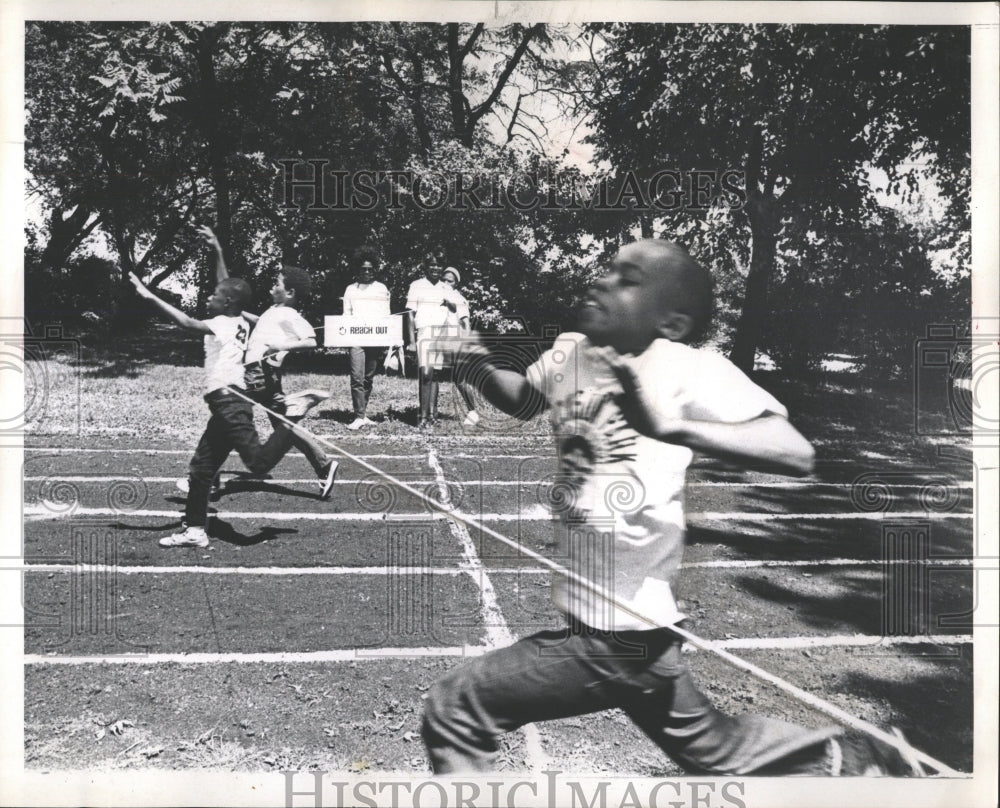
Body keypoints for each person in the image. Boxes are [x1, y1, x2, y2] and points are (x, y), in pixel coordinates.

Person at [422, 239, 909, 776]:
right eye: (607, 269)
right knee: (714, 748)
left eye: (628, 279)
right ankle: (848, 761)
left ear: (672, 323)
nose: (603, 280)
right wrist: (478, 364)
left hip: (620, 631)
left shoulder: (686, 368)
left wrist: (671, 426)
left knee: (458, 707)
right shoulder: (570, 350)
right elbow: (522, 399)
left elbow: (796, 451)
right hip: (637, 634)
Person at [128, 268, 328, 549]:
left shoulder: (222, 322)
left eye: (215, 295)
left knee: (257, 464)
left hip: (229, 402)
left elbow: (186, 322)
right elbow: (231, 286)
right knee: (201, 468)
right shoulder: (239, 322)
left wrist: (149, 295)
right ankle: (195, 530)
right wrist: (219, 255)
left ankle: (293, 414)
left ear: (228, 304)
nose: (209, 297)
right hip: (225, 404)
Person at [191, 225, 339, 500]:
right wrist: (239, 309)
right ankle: (324, 464)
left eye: (277, 284)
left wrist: (280, 345)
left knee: (229, 416)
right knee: (281, 426)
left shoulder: (290, 315)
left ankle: (206, 476)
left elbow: (311, 340)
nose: (273, 286)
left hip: (258, 375)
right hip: (263, 376)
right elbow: (237, 301)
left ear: (290, 293)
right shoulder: (274, 311)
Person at [343, 248, 392, 430]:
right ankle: (358, 416)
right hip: (356, 338)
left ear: (375, 269)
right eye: (363, 269)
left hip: (375, 337)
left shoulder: (381, 289)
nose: (367, 272)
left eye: (370, 269)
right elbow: (346, 315)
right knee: (357, 376)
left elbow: (386, 314)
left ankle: (364, 413)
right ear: (358, 269)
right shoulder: (350, 289)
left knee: (368, 378)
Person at [405, 252, 453, 428]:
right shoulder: (416, 285)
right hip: (424, 333)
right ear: (426, 266)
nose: (435, 268)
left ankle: (432, 414)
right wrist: (411, 341)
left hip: (441, 333)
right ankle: (422, 415)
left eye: (439, 265)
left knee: (435, 375)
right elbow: (410, 313)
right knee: (425, 373)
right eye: (432, 265)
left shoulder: (446, 288)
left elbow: (454, 310)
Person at [440, 266, 479, 427]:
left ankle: (473, 411)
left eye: (450, 281)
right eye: (444, 280)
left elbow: (465, 323)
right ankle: (430, 412)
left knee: (460, 378)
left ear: (456, 283)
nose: (446, 283)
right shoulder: (436, 296)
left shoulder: (459, 299)